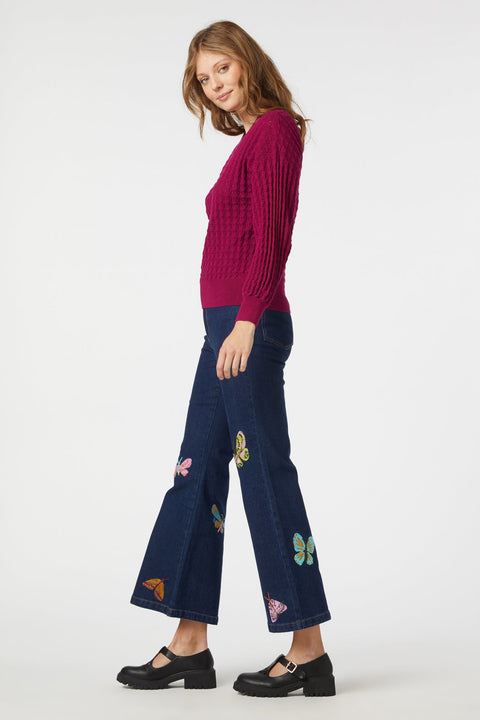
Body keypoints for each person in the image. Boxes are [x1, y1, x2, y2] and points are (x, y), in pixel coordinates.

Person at [117, 20, 336, 698]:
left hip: (249, 325)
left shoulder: (274, 131)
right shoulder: (254, 139)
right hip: (225, 329)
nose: (215, 84)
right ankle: (189, 644)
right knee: (197, 472)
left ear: (246, 61)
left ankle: (308, 650)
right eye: (203, 78)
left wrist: (246, 320)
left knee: (262, 473)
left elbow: (273, 237)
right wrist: (229, 326)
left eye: (222, 68)